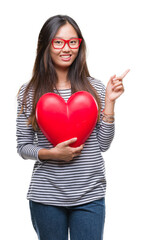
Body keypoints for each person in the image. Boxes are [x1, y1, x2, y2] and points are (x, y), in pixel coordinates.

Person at [16, 15, 129, 240]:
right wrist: (52, 154)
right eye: (58, 42)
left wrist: (110, 102)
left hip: (90, 195)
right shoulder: (29, 92)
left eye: (72, 42)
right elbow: (23, 147)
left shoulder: (94, 87)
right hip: (46, 197)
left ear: (79, 44)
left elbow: (104, 145)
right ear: (46, 45)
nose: (66, 48)